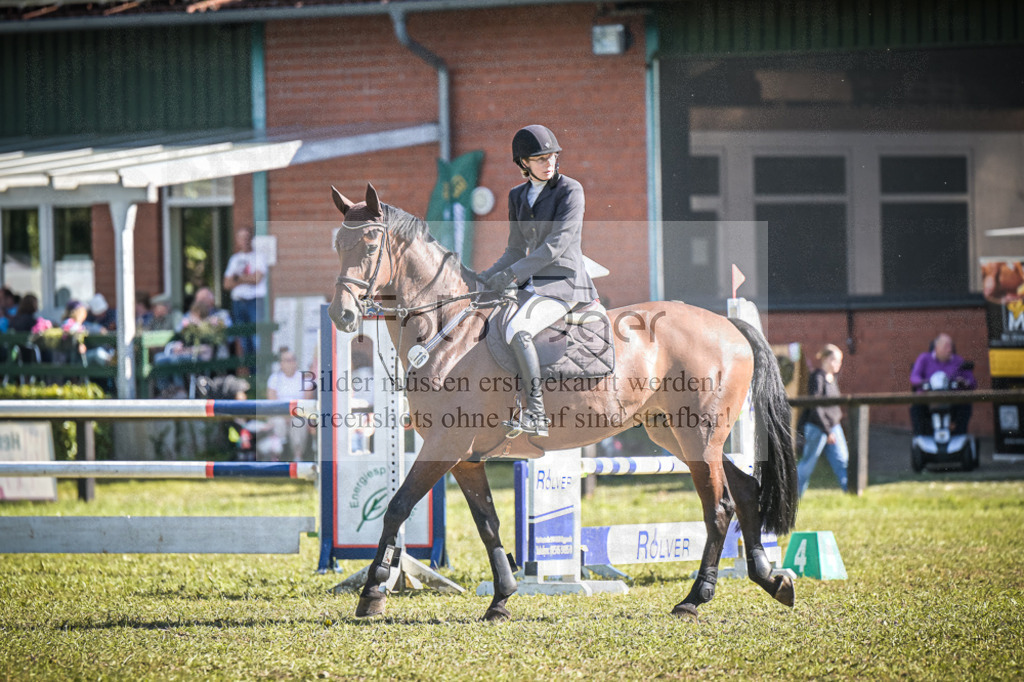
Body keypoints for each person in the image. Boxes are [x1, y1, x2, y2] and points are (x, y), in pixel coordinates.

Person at [478, 124, 597, 437]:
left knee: (519, 329)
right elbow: (515, 250)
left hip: (565, 282)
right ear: (523, 163)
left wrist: (513, 275)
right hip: (532, 283)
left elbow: (556, 245)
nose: (549, 162)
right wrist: (483, 278)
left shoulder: (570, 190)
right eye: (540, 158)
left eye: (552, 156)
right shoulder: (517, 196)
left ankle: (537, 414)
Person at [796, 344, 849, 497]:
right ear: (825, 359)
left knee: (842, 461)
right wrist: (827, 431)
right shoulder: (817, 377)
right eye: (835, 360)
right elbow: (816, 406)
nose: (838, 364)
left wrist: (834, 427)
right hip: (817, 428)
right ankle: (794, 496)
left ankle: (851, 492)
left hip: (834, 428)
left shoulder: (832, 379)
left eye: (839, 361)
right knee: (808, 464)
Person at [910, 333, 976, 436]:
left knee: (965, 406)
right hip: (929, 400)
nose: (950, 349)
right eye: (946, 346)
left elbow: (972, 382)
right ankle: (922, 436)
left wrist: (963, 382)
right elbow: (914, 377)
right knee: (916, 408)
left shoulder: (958, 361)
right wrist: (924, 382)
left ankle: (959, 435)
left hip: (953, 401)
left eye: (951, 346)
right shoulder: (924, 359)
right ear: (936, 348)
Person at [223, 227, 268, 374]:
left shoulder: (259, 257)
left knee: (257, 340)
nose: (244, 241)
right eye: (240, 237)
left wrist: (238, 278)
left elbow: (257, 278)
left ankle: (261, 376)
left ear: (251, 239)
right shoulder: (234, 259)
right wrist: (246, 279)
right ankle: (252, 376)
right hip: (238, 303)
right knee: (244, 341)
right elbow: (227, 284)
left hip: (254, 302)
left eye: (246, 237)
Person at [265, 347, 315, 461]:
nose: (291, 363)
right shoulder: (274, 378)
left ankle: (298, 457)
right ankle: (277, 455)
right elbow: (272, 400)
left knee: (298, 422)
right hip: (279, 414)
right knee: (278, 422)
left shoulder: (304, 378)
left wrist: (291, 415)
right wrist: (284, 415)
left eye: (293, 359)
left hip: (298, 413)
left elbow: (306, 401)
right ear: (281, 363)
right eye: (287, 360)